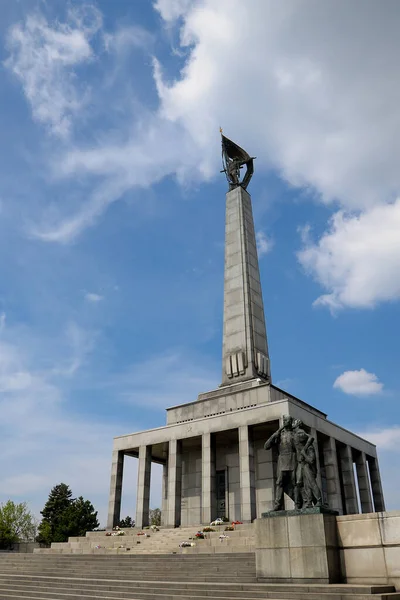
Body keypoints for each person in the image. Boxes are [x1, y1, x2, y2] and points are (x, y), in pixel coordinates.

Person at [264, 415, 296, 511]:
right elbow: (266, 446)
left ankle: (299, 503)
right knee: (279, 483)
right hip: (282, 460)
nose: (287, 422)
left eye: (289, 420)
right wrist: (275, 434)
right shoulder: (279, 435)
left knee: (295, 483)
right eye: (285, 420)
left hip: (293, 459)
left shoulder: (295, 434)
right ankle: (278, 504)